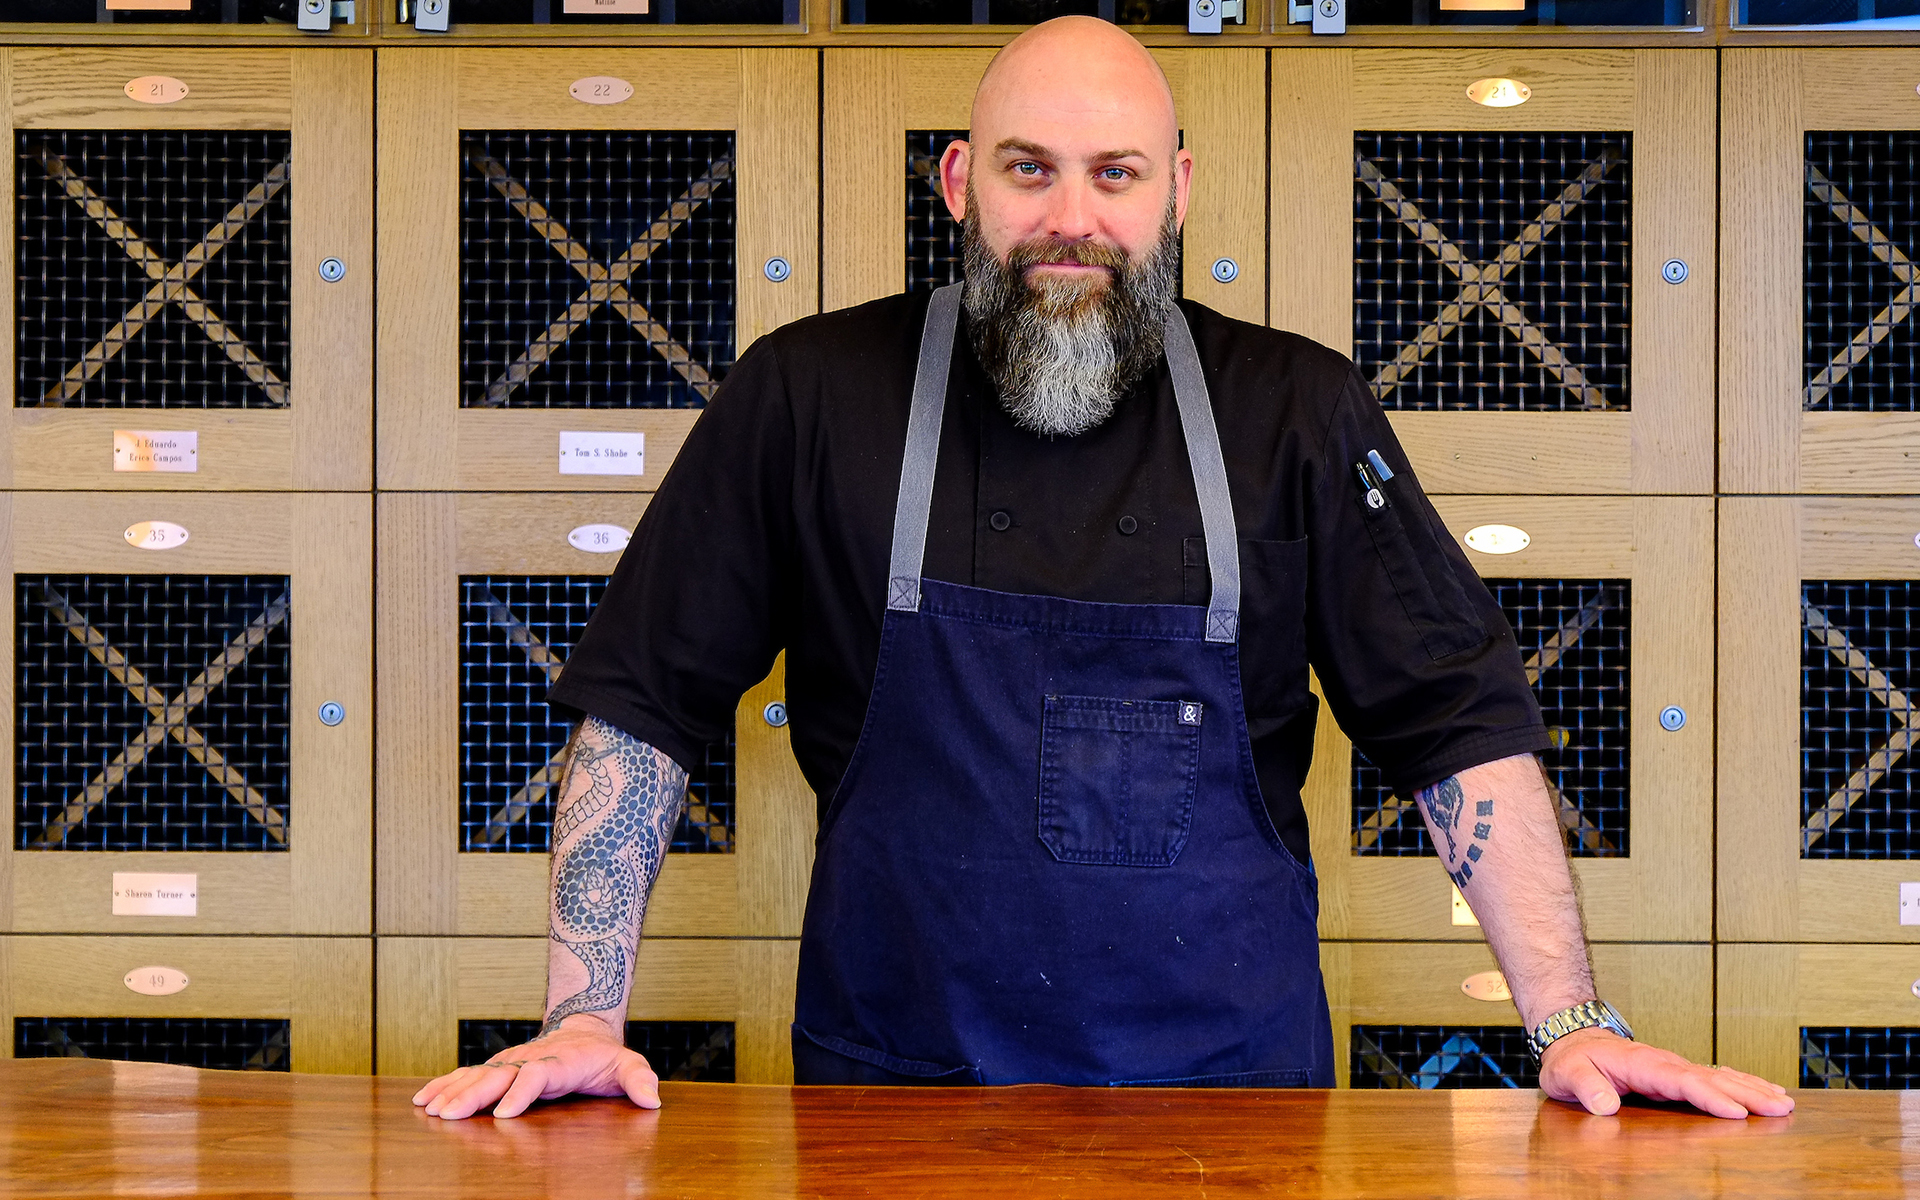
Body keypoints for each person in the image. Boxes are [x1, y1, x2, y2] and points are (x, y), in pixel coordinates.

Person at [414, 17, 1792, 1121]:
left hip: (1233, 1106)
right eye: (1029, 170)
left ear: (1176, 190)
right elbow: (644, 707)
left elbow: (1457, 721)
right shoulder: (808, 394)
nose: (1070, 217)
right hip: (893, 1100)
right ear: (959, 181)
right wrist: (582, 1018)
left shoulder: (1296, 409)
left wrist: (1571, 1022)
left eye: (1115, 175)